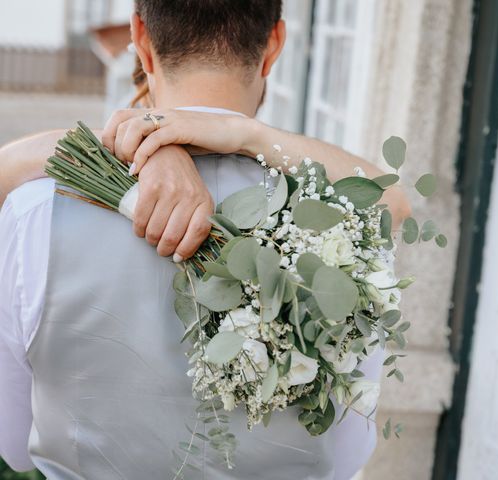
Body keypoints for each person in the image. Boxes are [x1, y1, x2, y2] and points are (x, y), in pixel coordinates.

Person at [0, 1, 410, 479]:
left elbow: (14, 440)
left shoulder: (35, 215)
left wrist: (124, 145)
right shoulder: (344, 225)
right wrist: (249, 137)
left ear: (141, 41)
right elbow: (345, 454)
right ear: (273, 44)